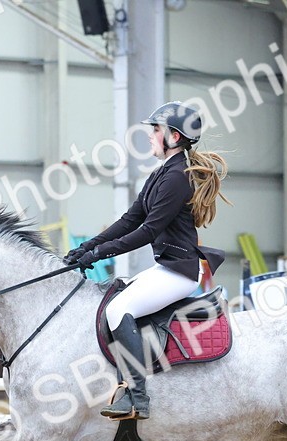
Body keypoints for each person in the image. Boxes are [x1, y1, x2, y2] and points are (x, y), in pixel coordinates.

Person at [64, 101, 230, 421]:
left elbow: (148, 230)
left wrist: (99, 254)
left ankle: (137, 396)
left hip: (180, 271)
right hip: (166, 266)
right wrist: (86, 247)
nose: (151, 135)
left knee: (118, 309)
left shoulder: (177, 177)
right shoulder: (162, 173)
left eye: (156, 129)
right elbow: (129, 220)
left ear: (174, 136)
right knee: (110, 300)